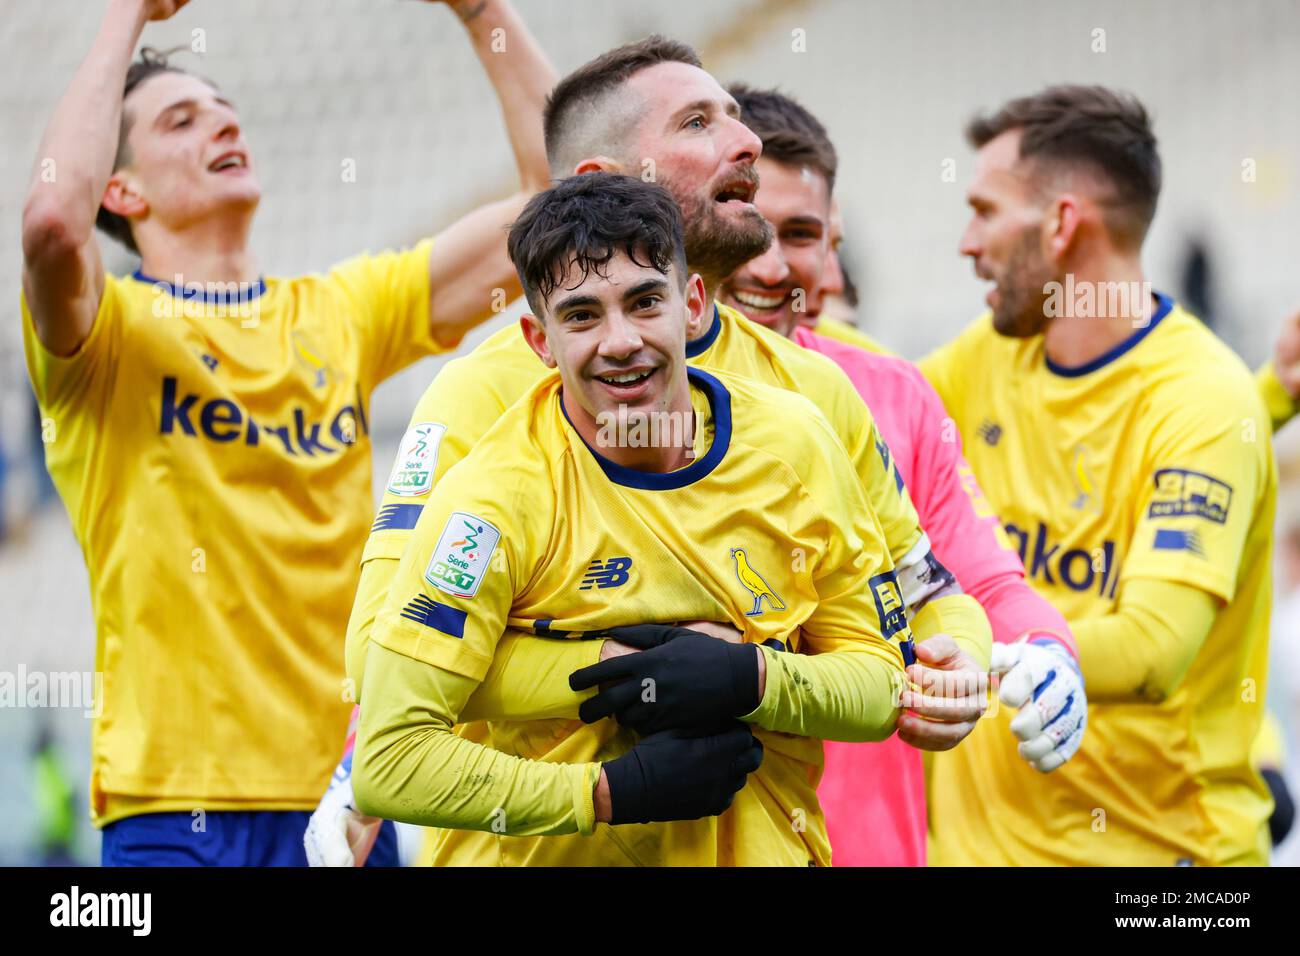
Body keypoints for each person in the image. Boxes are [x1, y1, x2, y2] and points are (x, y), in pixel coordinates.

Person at [309, 35, 992, 866]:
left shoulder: (811, 399)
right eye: (700, 122)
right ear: (602, 185)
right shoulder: (485, 401)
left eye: (738, 118)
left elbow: (922, 597)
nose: (745, 144)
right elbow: (383, 651)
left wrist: (960, 665)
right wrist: (624, 667)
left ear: (689, 297)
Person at [19, 0, 555, 865]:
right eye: (179, 120)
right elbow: (50, 223)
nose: (222, 121)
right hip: (173, 811)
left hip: (347, 799)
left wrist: (483, 11)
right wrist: (127, 14)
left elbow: (559, 207)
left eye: (223, 108)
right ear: (121, 190)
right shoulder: (104, 335)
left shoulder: (342, 312)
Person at [353, 171, 912, 866]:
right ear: (539, 341)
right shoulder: (492, 502)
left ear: (695, 305)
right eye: (582, 315)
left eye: (645, 302)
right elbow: (388, 761)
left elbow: (884, 684)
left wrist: (751, 678)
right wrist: (609, 792)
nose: (619, 342)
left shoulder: (794, 443)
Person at [715, 84, 1085, 866]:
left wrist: (1050, 652)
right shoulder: (611, 403)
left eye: (804, 233)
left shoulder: (889, 393)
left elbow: (980, 584)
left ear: (834, 247)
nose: (775, 265)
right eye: (751, 228)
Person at [920, 85, 1275, 865]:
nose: (966, 243)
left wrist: (967, 650)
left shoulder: (1200, 398)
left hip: (1158, 865)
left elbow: (1152, 652)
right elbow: (862, 419)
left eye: (985, 210)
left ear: (1061, 223)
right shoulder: (980, 358)